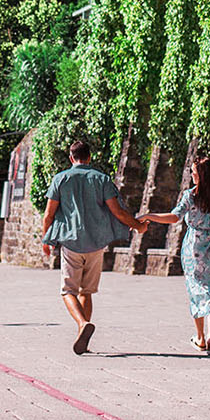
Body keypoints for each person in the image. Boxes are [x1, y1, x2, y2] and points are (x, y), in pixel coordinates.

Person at [38, 139, 145, 355]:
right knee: (87, 291)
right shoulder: (101, 179)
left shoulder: (60, 179)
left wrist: (46, 240)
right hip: (96, 244)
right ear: (89, 157)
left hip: (70, 243)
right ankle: (84, 340)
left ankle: (81, 324)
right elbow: (117, 211)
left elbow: (49, 214)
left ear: (71, 158)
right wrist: (138, 226)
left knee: (68, 290)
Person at [144, 154, 210, 355]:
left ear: (202, 176)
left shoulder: (191, 196)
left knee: (197, 291)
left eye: (194, 172)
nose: (192, 175)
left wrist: (149, 216)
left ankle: (200, 338)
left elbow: (174, 217)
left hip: (194, 251)